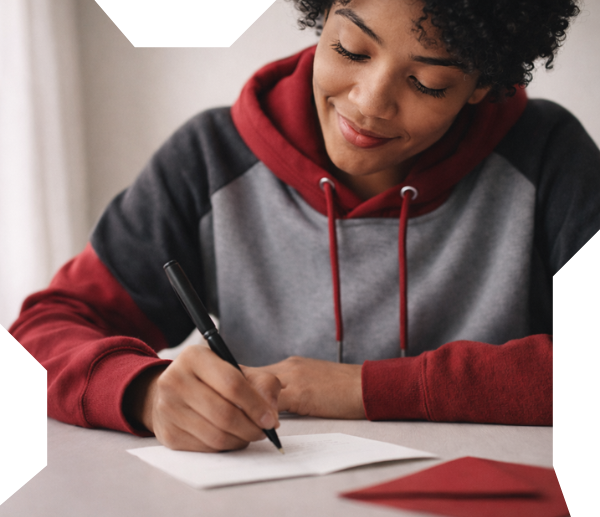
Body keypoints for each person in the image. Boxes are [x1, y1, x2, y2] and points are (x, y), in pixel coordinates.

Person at [10, 0, 596, 452]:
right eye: (350, 49)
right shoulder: (209, 159)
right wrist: (142, 393)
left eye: (427, 83)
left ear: (484, 87)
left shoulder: (547, 157)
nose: (370, 103)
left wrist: (357, 388)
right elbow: (45, 329)